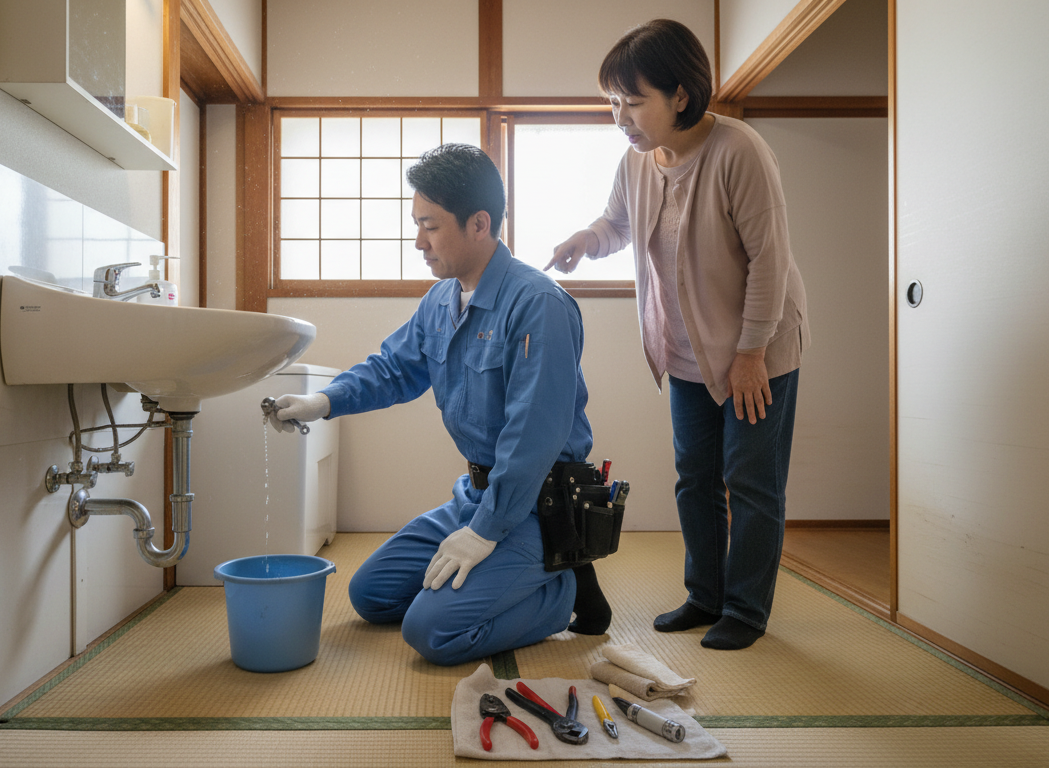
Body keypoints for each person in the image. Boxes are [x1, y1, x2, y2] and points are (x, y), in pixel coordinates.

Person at [271, 144, 610, 666]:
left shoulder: (538, 305)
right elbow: (393, 369)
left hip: (537, 506)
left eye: (429, 226)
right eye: (416, 224)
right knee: (371, 595)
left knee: (431, 633)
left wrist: (483, 533)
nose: (417, 242)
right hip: (472, 494)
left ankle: (562, 588)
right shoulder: (442, 299)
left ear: (479, 224)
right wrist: (320, 401)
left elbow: (531, 439)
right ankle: (509, 575)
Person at [546, 19, 809, 651]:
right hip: (686, 351)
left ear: (681, 95)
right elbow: (617, 224)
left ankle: (745, 610)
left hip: (758, 348)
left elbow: (770, 260)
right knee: (695, 477)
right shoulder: (636, 162)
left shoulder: (738, 151)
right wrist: (589, 238)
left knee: (750, 479)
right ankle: (705, 595)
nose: (620, 117)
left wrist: (750, 353)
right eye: (614, 102)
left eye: (633, 101)